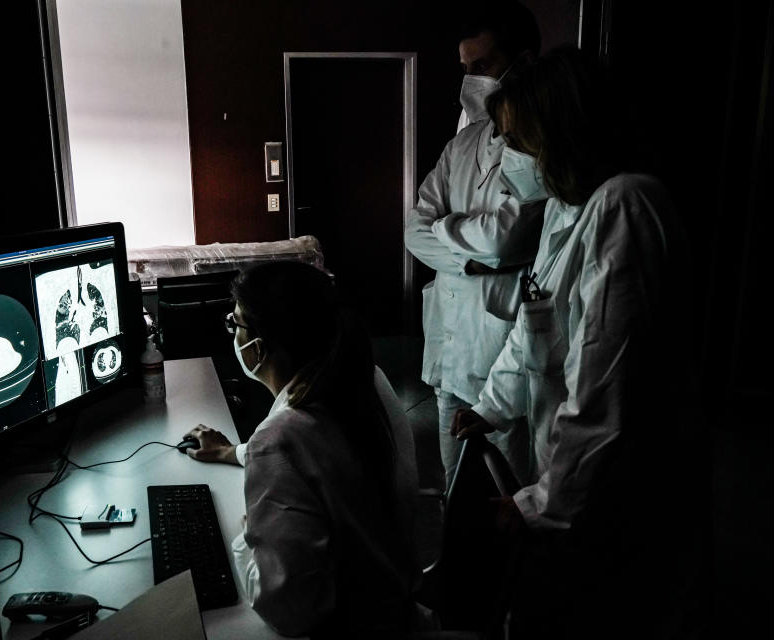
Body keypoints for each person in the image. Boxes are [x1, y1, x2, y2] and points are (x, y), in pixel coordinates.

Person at [454, 46, 704, 638]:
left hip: (615, 492)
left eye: (518, 140)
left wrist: (541, 505)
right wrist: (488, 408)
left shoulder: (625, 205)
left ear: (561, 129)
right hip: (569, 473)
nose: (509, 157)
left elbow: (605, 390)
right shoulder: (569, 209)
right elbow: (534, 325)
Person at [183, 261, 425, 637]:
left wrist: (245, 535)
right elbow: (315, 454)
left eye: (235, 323)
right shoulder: (367, 381)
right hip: (396, 606)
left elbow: (288, 612)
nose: (231, 331)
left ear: (258, 346)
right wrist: (232, 451)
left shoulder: (280, 439)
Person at [404, 0, 543, 491]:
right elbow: (413, 230)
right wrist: (474, 257)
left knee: (512, 494)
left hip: (503, 356)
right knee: (453, 490)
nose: (471, 80)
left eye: (481, 66)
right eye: (465, 69)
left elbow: (507, 237)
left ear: (523, 63)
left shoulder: (539, 145)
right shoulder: (460, 146)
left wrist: (448, 231)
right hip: (450, 350)